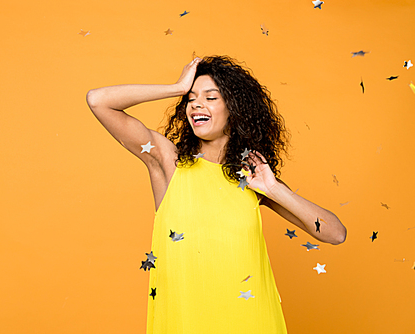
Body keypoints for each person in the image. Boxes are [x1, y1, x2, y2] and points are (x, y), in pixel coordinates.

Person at [86, 56, 346, 334]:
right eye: (191, 98)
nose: (197, 104)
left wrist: (274, 190)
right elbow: (98, 100)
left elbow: (335, 234)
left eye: (211, 98)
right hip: (184, 324)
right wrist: (176, 88)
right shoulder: (167, 161)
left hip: (250, 323)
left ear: (235, 109)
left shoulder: (252, 178)